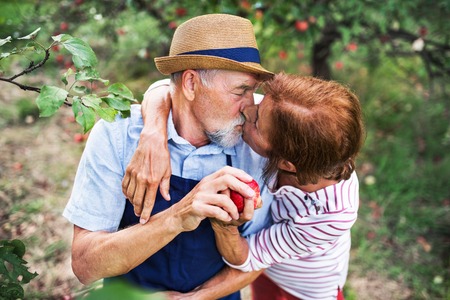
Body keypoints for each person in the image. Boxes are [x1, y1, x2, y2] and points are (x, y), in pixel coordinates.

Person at [63, 13, 275, 299]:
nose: (250, 106)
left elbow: (262, 254)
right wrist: (178, 217)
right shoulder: (118, 135)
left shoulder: (261, 135)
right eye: (241, 90)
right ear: (190, 84)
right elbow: (86, 265)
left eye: (254, 91)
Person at [125, 73, 365, 299]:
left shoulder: (331, 214)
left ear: (286, 164)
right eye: (259, 107)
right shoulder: (281, 115)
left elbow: (248, 257)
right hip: (268, 269)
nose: (248, 111)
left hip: (305, 287)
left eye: (257, 121)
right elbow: (166, 88)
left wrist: (225, 227)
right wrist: (153, 135)